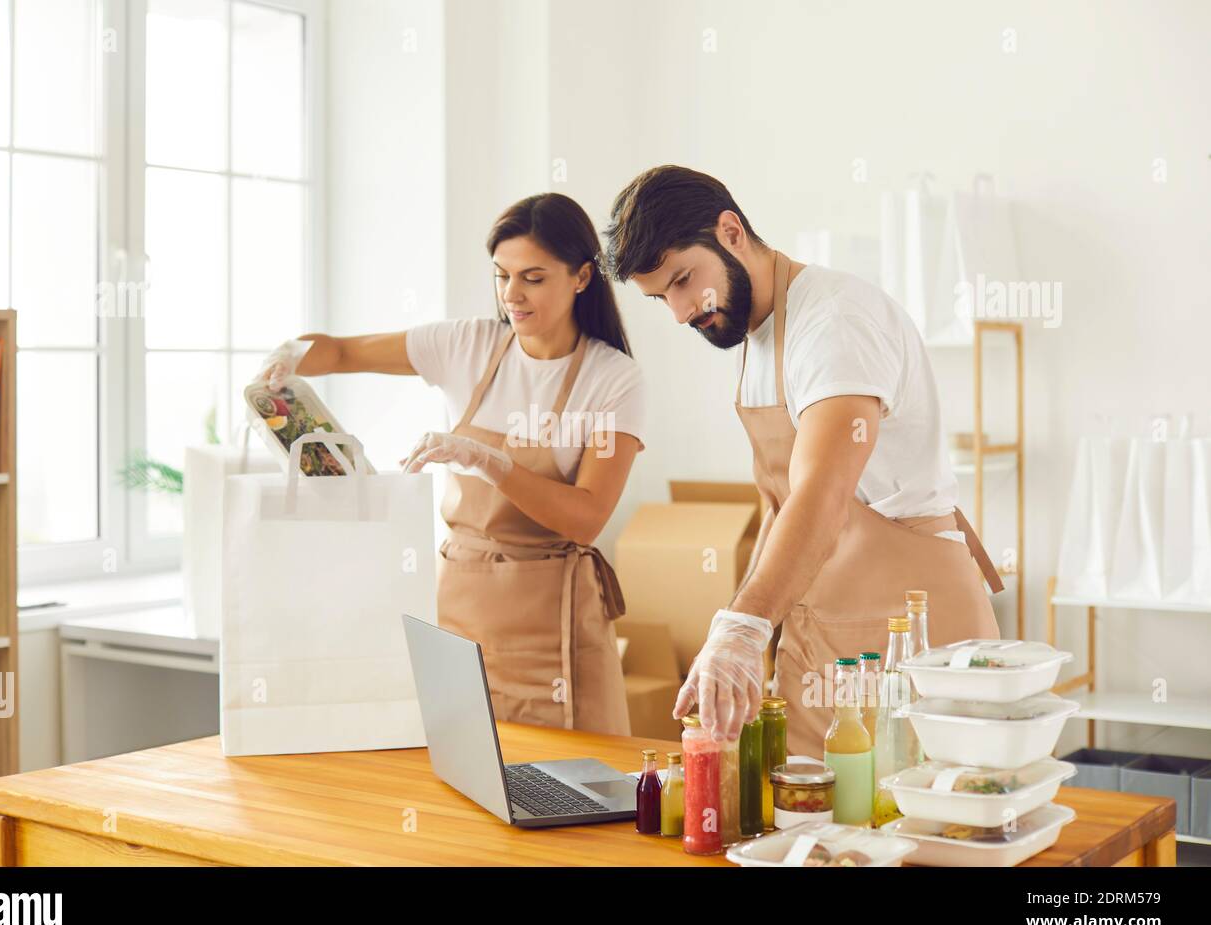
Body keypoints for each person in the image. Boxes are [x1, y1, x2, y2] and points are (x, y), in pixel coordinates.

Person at [604, 165, 1003, 756]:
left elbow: (822, 494)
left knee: (916, 828)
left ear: (731, 231)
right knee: (811, 832)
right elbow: (783, 507)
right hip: (823, 626)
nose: (682, 311)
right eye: (662, 296)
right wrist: (737, 628)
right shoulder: (760, 335)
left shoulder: (834, 322)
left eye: (685, 280)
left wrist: (746, 624)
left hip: (909, 629)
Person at [257, 193, 645, 734]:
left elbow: (587, 517)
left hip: (556, 629)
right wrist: (290, 356)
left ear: (581, 277)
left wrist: (490, 463)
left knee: (575, 791)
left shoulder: (612, 379)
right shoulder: (466, 345)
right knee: (464, 780)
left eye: (533, 277)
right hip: (462, 613)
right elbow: (345, 352)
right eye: (500, 275)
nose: (512, 294)